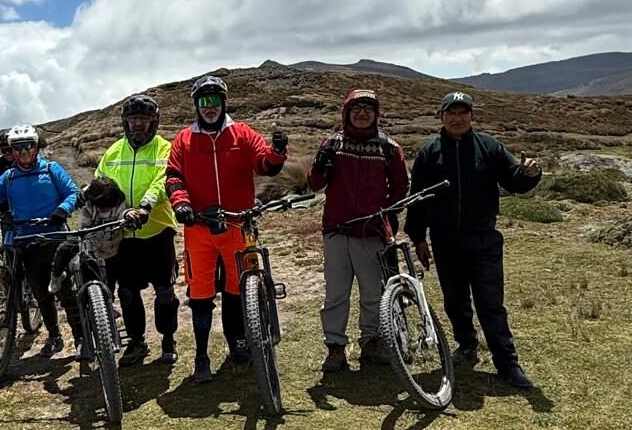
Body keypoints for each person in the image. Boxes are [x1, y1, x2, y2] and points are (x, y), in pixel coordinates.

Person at [404, 91, 542, 389]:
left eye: (462, 112)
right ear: (441, 117)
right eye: (450, 112)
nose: (457, 118)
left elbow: (514, 181)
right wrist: (418, 238)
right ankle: (466, 346)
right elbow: (418, 199)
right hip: (445, 241)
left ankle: (507, 363)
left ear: (471, 116)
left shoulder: (488, 146)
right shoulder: (430, 153)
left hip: (484, 240)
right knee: (455, 301)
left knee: (490, 303)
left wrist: (530, 174)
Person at [166, 75, 289, 383]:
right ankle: (202, 355)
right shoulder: (184, 140)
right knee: (201, 294)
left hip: (237, 224)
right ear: (196, 105)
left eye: (215, 101)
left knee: (238, 289)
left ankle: (239, 342)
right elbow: (173, 178)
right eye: (203, 102)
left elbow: (264, 164)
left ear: (223, 103)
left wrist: (277, 151)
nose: (210, 107)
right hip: (199, 229)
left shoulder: (242, 134)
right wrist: (181, 204)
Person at [308, 89, 410, 372]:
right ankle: (335, 349)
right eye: (357, 108)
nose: (362, 113)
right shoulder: (332, 144)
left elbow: (401, 187)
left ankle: (371, 343)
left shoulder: (389, 148)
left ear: (376, 114)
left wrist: (387, 214)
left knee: (372, 293)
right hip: (337, 232)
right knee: (336, 294)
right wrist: (319, 163)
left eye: (369, 108)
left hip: (371, 232)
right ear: (346, 112)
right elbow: (315, 184)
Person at [0, 124, 81, 357]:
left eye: (29, 146)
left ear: (36, 147)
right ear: (12, 151)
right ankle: (55, 336)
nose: (24, 152)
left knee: (66, 292)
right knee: (41, 293)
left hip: (55, 238)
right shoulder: (8, 178)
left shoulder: (51, 169)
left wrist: (62, 210)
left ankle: (81, 339)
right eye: (18, 148)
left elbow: (72, 193)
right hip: (26, 242)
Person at [94, 95, 181, 367]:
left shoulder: (164, 148)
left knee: (164, 290)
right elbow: (100, 183)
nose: (138, 125)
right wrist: (89, 202)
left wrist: (145, 206)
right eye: (133, 120)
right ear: (125, 122)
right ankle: (137, 341)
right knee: (128, 292)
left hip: (157, 230)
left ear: (153, 122)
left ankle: (168, 339)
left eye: (144, 120)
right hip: (124, 235)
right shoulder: (114, 152)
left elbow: (162, 181)